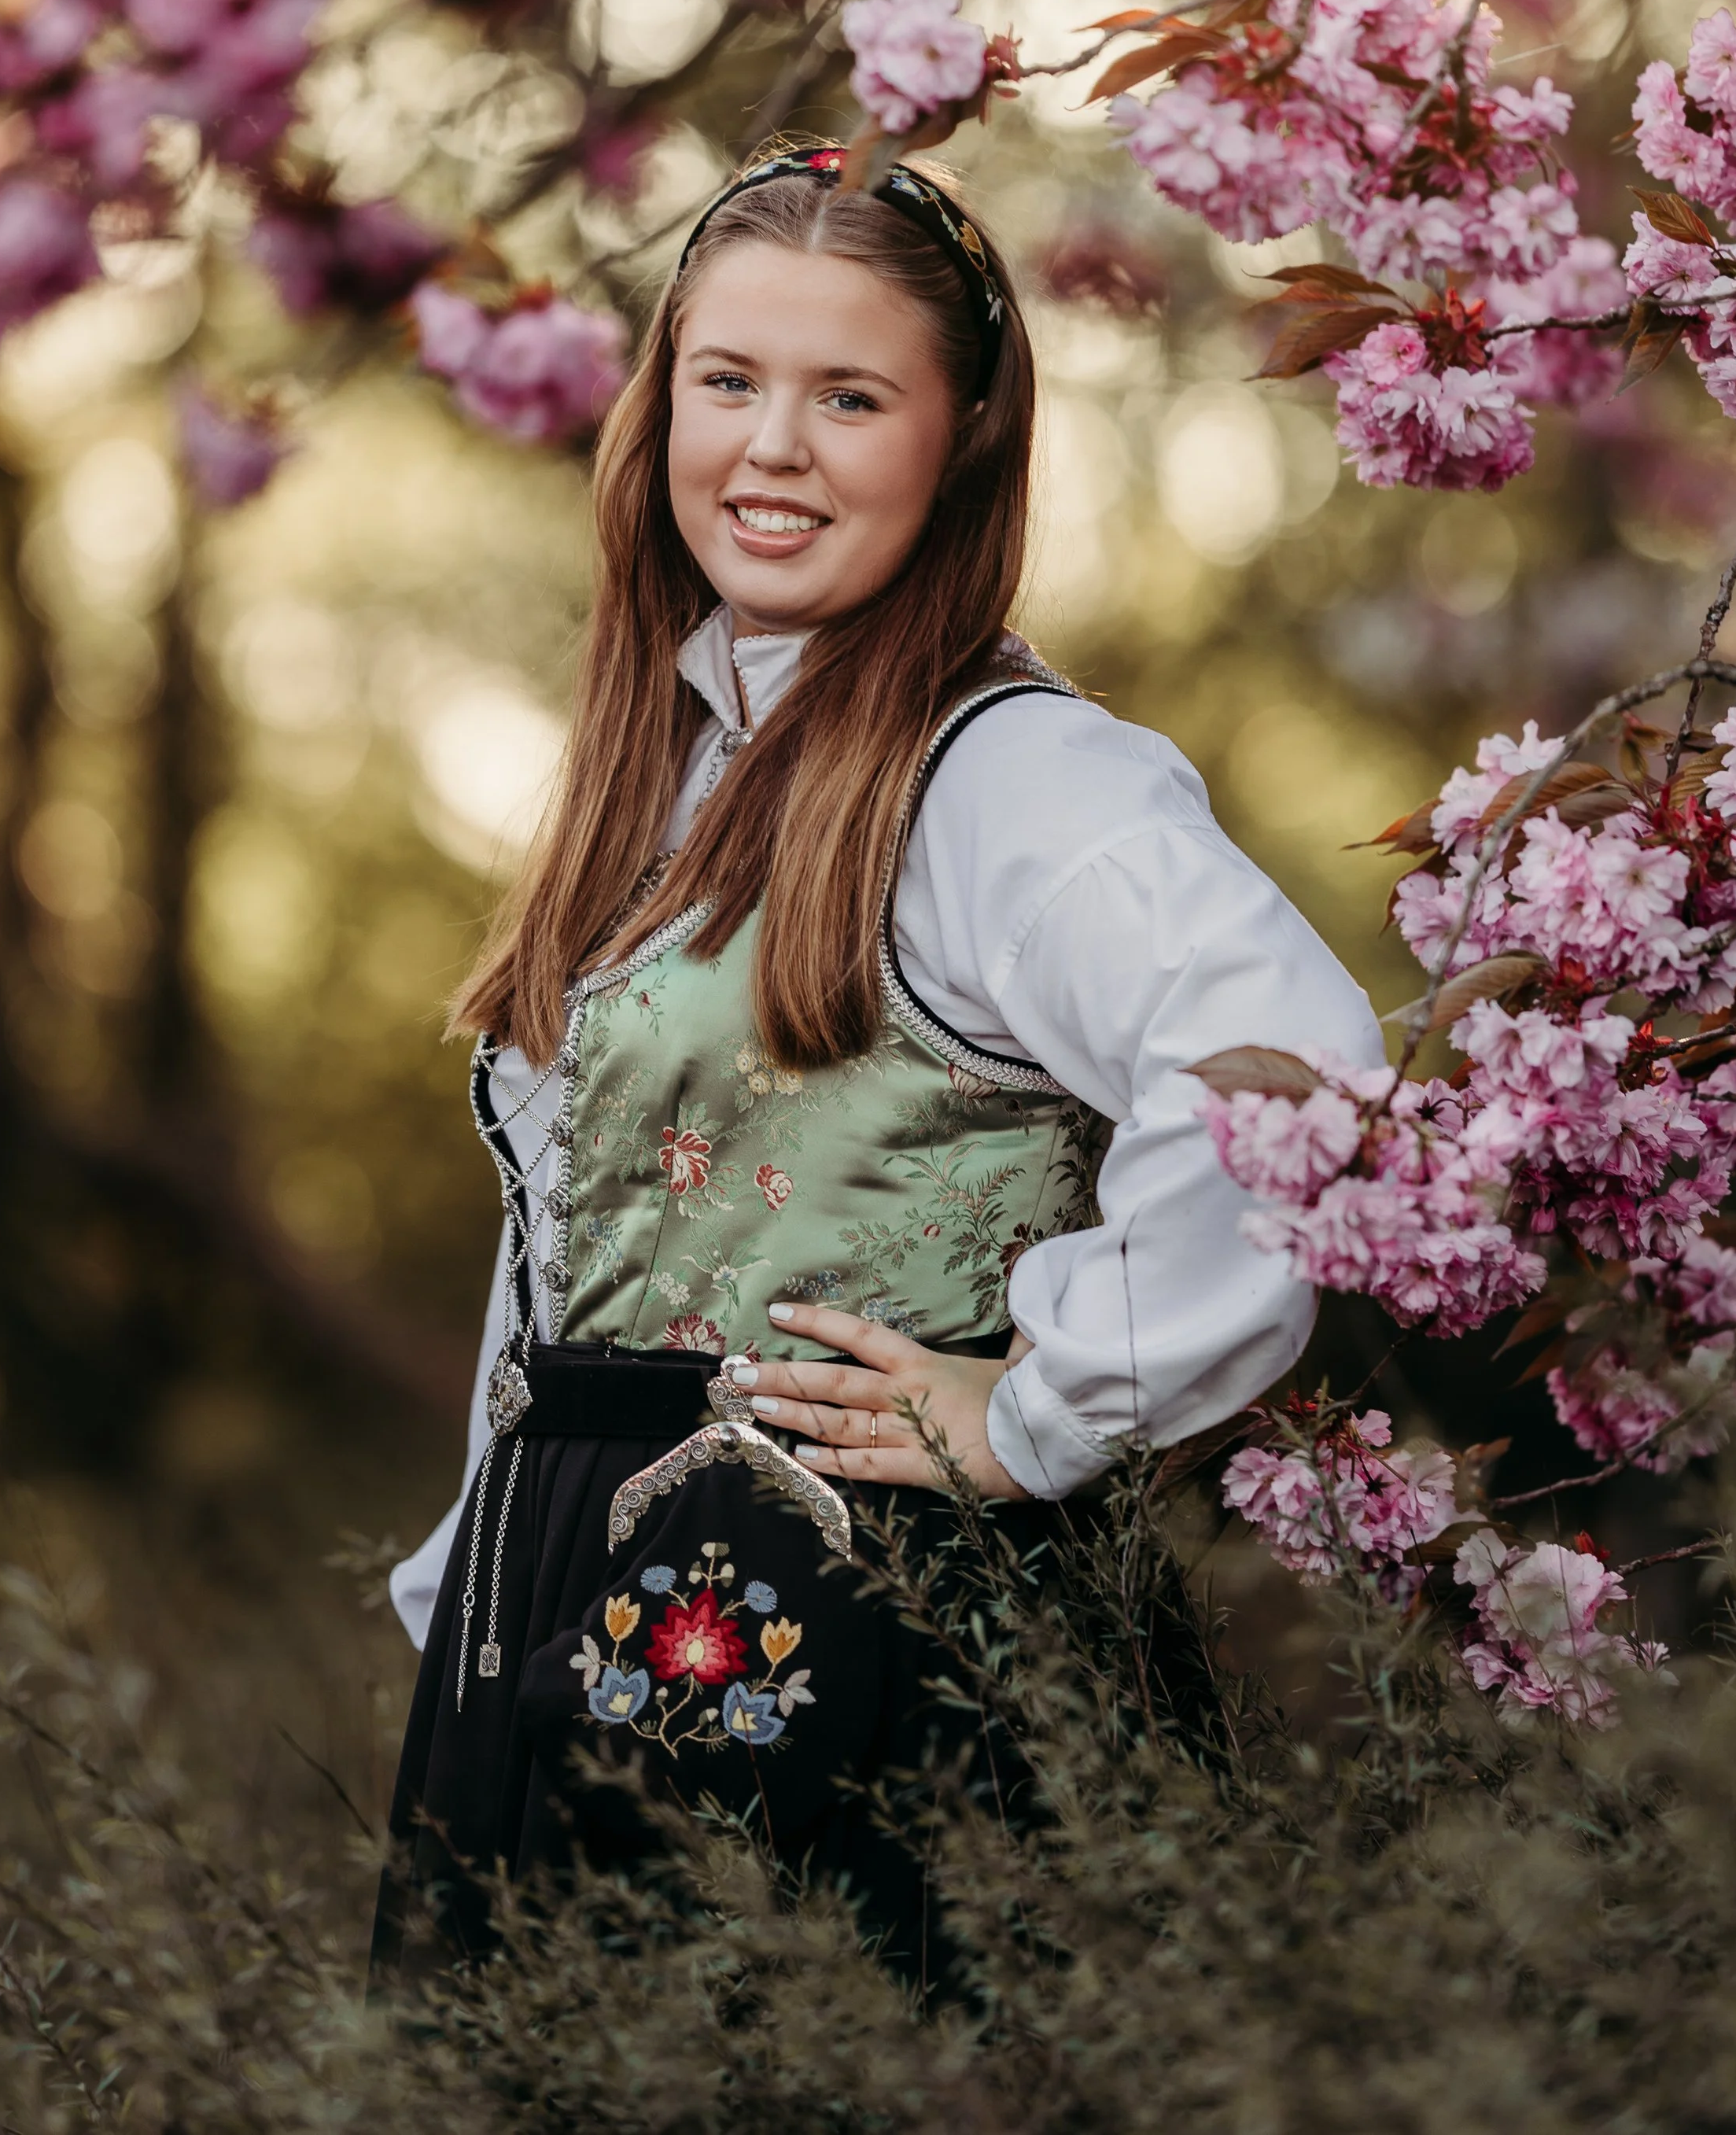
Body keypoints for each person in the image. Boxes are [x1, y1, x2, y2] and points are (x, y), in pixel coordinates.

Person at [370, 138, 1381, 1987]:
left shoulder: (1015, 779)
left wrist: (1036, 1409)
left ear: (960, 438)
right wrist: (472, 1605)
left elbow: (1292, 1079)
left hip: (851, 1643)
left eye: (849, 395)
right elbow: (571, 1271)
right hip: (559, 1629)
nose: (772, 448)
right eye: (728, 381)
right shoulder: (664, 773)